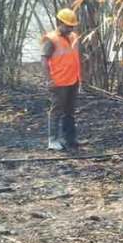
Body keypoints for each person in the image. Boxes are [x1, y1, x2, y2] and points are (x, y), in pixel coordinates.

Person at [41, 8, 81, 151]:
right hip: (59, 81)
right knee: (56, 110)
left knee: (70, 111)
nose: (70, 28)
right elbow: (44, 60)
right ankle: (52, 139)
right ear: (59, 22)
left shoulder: (73, 37)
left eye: (72, 26)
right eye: (68, 25)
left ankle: (69, 138)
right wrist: (49, 80)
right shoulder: (51, 39)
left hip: (73, 80)